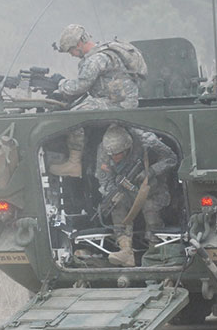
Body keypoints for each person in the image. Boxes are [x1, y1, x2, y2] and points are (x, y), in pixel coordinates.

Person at [49, 24, 148, 177]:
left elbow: (81, 86)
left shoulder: (96, 59)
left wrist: (61, 84)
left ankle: (74, 164)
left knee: (73, 117)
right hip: (121, 101)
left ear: (79, 44)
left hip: (118, 104)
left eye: (71, 50)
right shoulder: (104, 52)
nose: (72, 55)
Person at [96, 124, 178, 267]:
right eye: (111, 155)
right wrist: (111, 192)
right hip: (125, 190)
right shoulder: (104, 150)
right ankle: (126, 251)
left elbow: (171, 159)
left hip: (152, 188)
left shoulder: (147, 140)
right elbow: (103, 177)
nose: (114, 158)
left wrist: (151, 171)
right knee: (117, 206)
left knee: (150, 208)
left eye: (118, 154)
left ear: (127, 148)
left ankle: (155, 252)